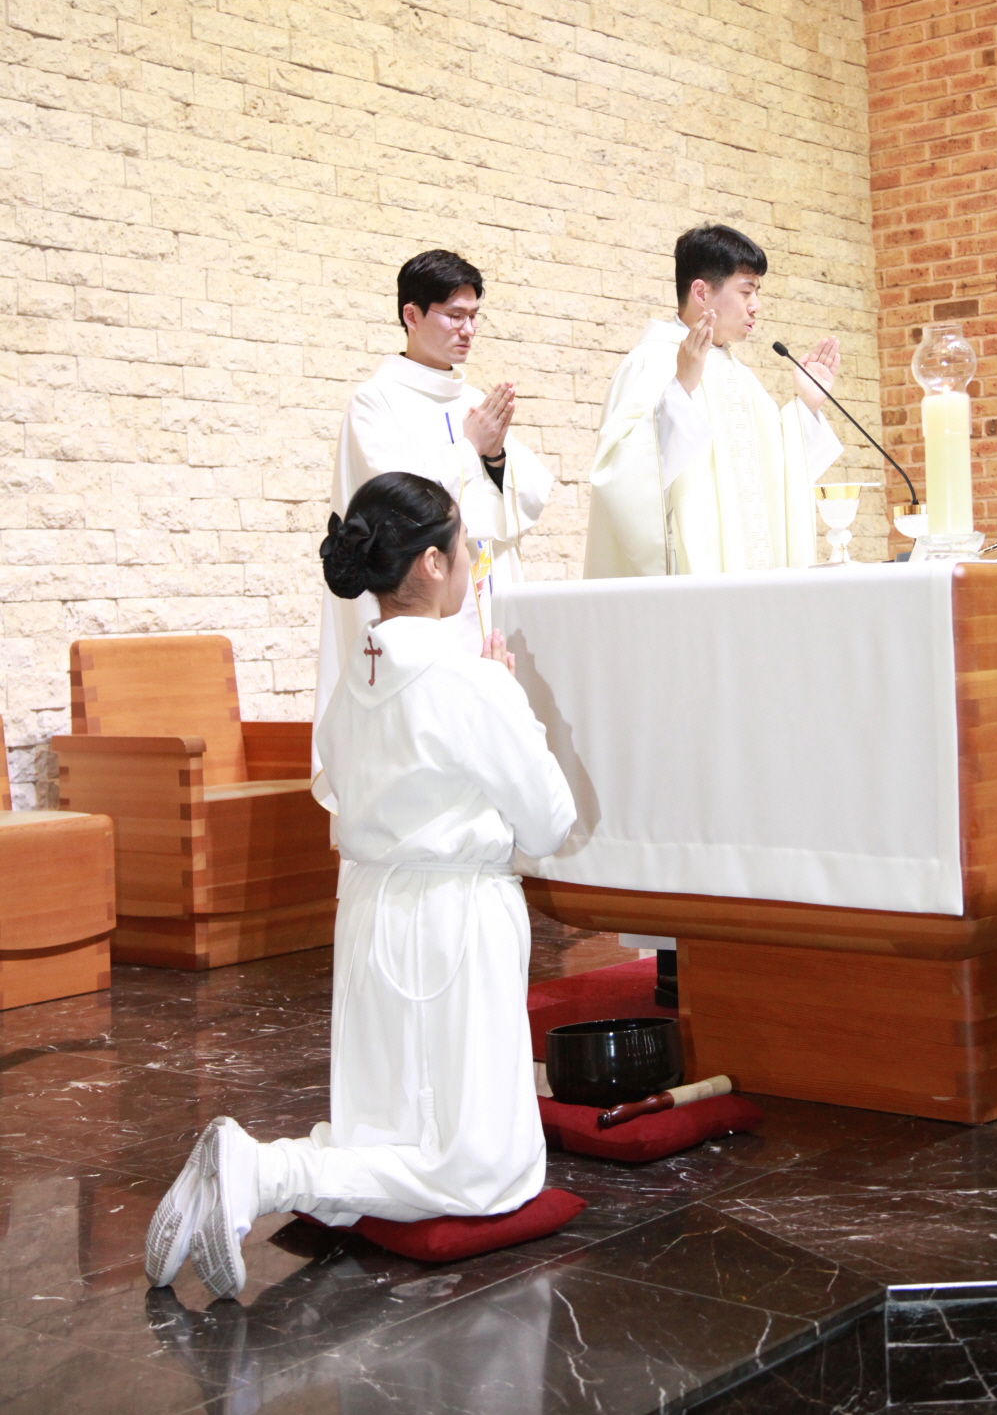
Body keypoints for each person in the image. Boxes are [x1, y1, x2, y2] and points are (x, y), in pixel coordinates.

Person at [145, 473, 575, 1301]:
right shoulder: (467, 680)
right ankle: (261, 1170)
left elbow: (343, 785)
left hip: (371, 910)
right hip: (452, 918)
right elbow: (550, 821)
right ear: (431, 563)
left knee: (386, 1125)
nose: (468, 563)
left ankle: (246, 1178)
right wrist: (509, 698)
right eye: (463, 547)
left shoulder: (354, 680)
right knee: (483, 1171)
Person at [314, 249, 554, 779]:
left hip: (482, 591)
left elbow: (532, 495)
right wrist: (469, 449)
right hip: (420, 601)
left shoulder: (473, 401)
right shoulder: (375, 403)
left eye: (474, 316)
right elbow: (393, 502)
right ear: (412, 315)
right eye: (454, 315)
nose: (468, 329)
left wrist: (495, 456)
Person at [584, 224, 845, 578]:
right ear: (701, 292)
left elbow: (773, 476)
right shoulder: (651, 362)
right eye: (746, 291)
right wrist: (681, 389)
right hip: (691, 585)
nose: (756, 306)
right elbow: (622, 478)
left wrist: (807, 406)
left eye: (757, 292)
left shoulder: (741, 376)